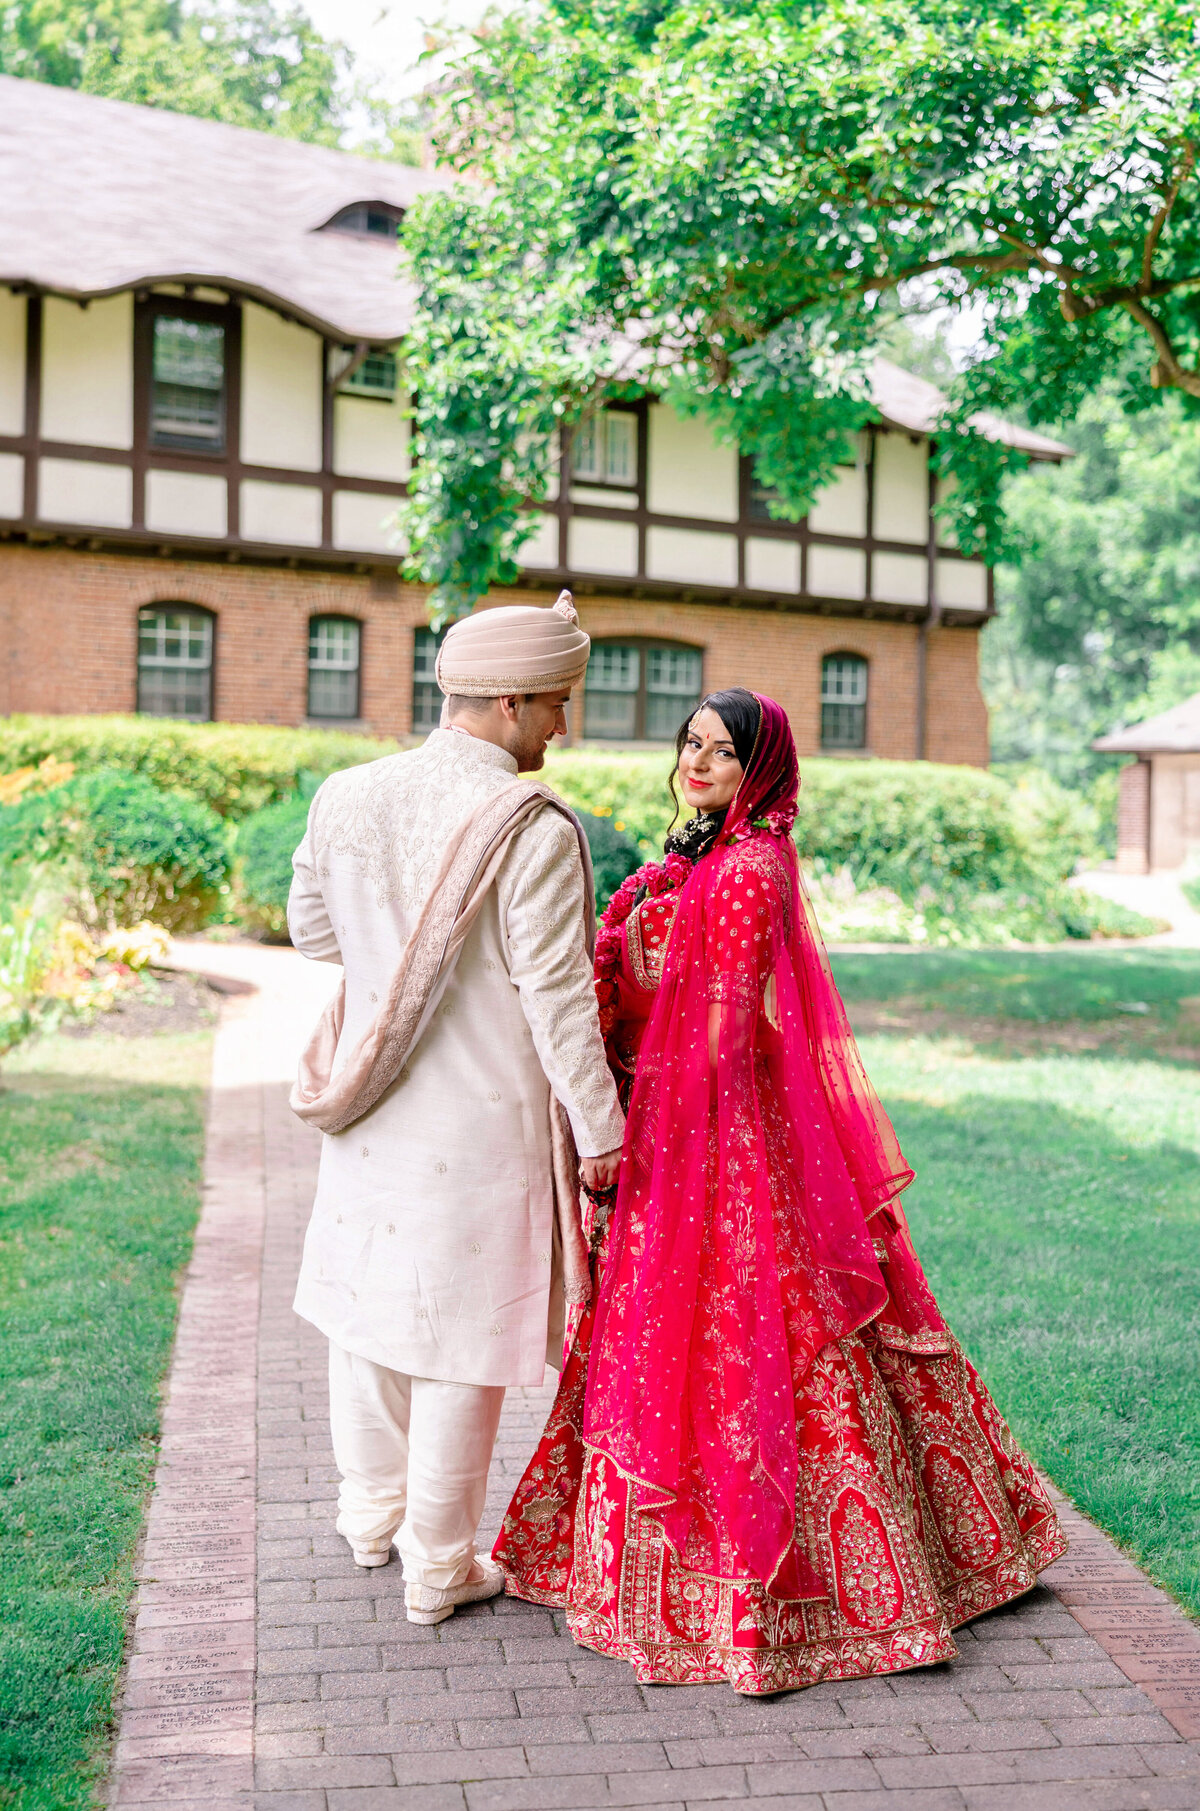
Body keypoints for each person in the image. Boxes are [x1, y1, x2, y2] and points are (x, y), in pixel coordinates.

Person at [495, 688, 1066, 1692]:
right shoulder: (700, 858)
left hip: (724, 1136)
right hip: (679, 1124)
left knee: (762, 1329)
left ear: (760, 767)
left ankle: (798, 1605)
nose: (699, 762)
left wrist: (639, 1120)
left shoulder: (753, 866)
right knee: (673, 1333)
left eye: (721, 750)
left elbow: (720, 1031)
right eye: (691, 744)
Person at [286, 594, 624, 1626]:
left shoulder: (350, 790)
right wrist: (604, 1129)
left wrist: (396, 952)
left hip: (372, 1098)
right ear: (513, 698)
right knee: (462, 1339)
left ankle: (368, 1513)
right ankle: (437, 1564)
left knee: (368, 1312)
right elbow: (558, 992)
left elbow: (311, 933)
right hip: (480, 1118)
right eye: (558, 704)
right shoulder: (529, 821)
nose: (562, 728)